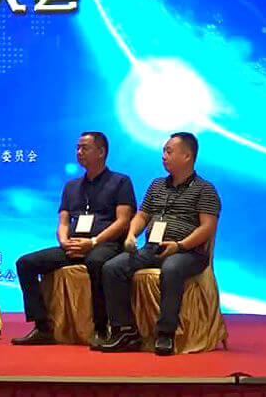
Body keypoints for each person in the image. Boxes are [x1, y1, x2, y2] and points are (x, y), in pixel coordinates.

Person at [99, 132, 221, 355]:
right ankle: (125, 330)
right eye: (163, 151)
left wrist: (180, 246)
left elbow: (207, 227)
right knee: (112, 267)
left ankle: (166, 333)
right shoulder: (156, 185)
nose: (163, 156)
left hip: (188, 252)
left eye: (169, 151)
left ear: (187, 156)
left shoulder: (205, 189)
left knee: (171, 268)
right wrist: (131, 235)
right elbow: (142, 215)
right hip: (152, 247)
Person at [12, 131, 135, 345]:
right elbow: (63, 221)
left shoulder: (120, 181)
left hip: (105, 244)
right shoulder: (71, 186)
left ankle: (101, 328)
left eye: (84, 148)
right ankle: (42, 327)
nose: (79, 152)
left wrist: (93, 242)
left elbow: (123, 221)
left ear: (101, 152)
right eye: (77, 148)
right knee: (25, 263)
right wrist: (64, 241)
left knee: (96, 262)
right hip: (73, 244)